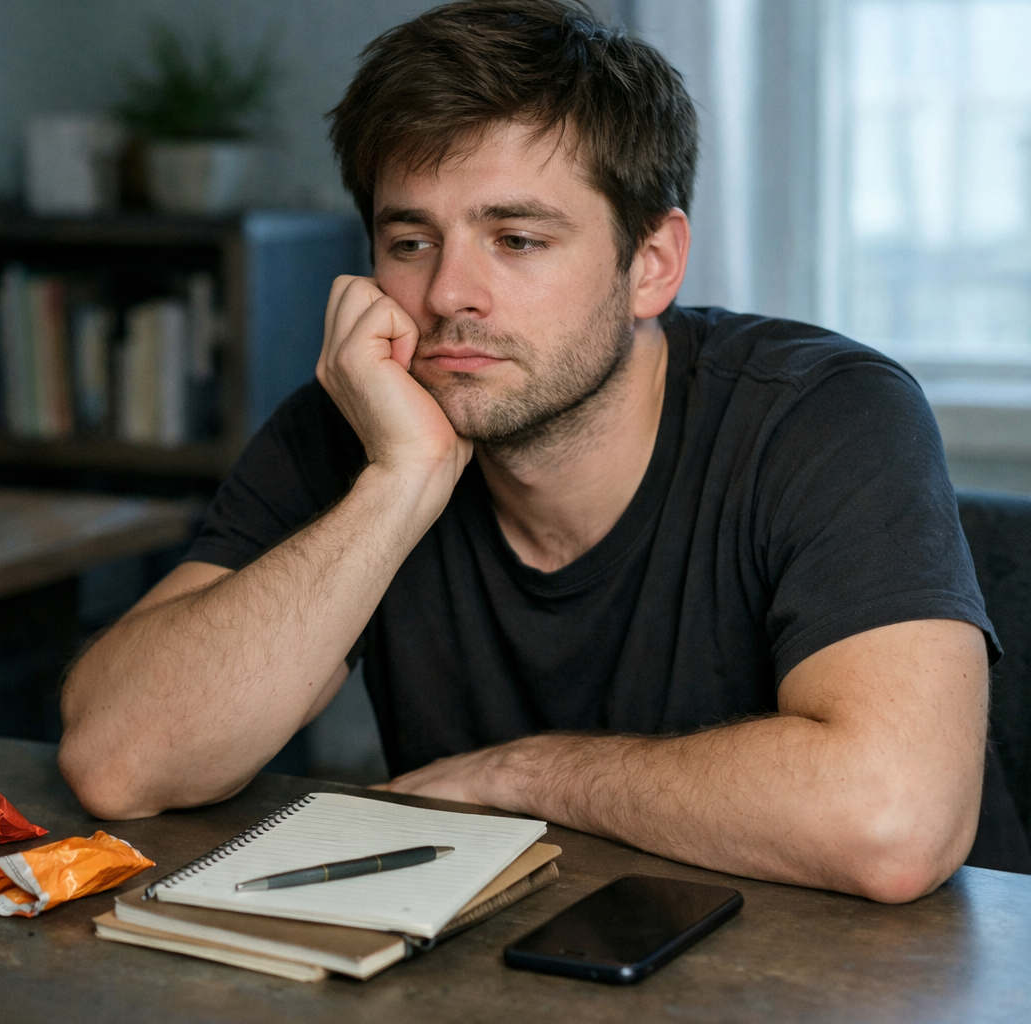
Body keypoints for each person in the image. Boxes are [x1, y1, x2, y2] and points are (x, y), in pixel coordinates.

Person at [59, 0, 1031, 900]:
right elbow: (120, 757)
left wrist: (517, 775)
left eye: (516, 239)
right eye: (409, 241)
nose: (447, 295)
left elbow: (893, 820)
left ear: (650, 264)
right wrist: (400, 483)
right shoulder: (361, 424)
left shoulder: (828, 413)